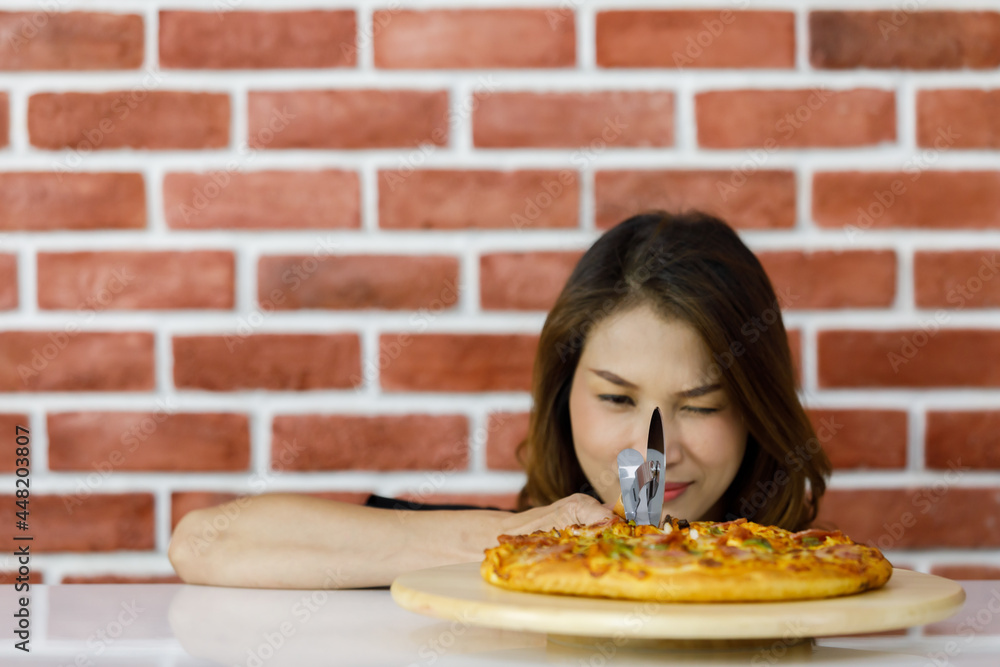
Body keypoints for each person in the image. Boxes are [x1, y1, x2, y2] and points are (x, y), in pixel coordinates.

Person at [168, 209, 831, 589]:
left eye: (703, 404)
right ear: (562, 396)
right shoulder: (500, 551)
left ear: (758, 408)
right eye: (616, 397)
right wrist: (510, 537)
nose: (654, 449)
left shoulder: (809, 581)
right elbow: (203, 543)